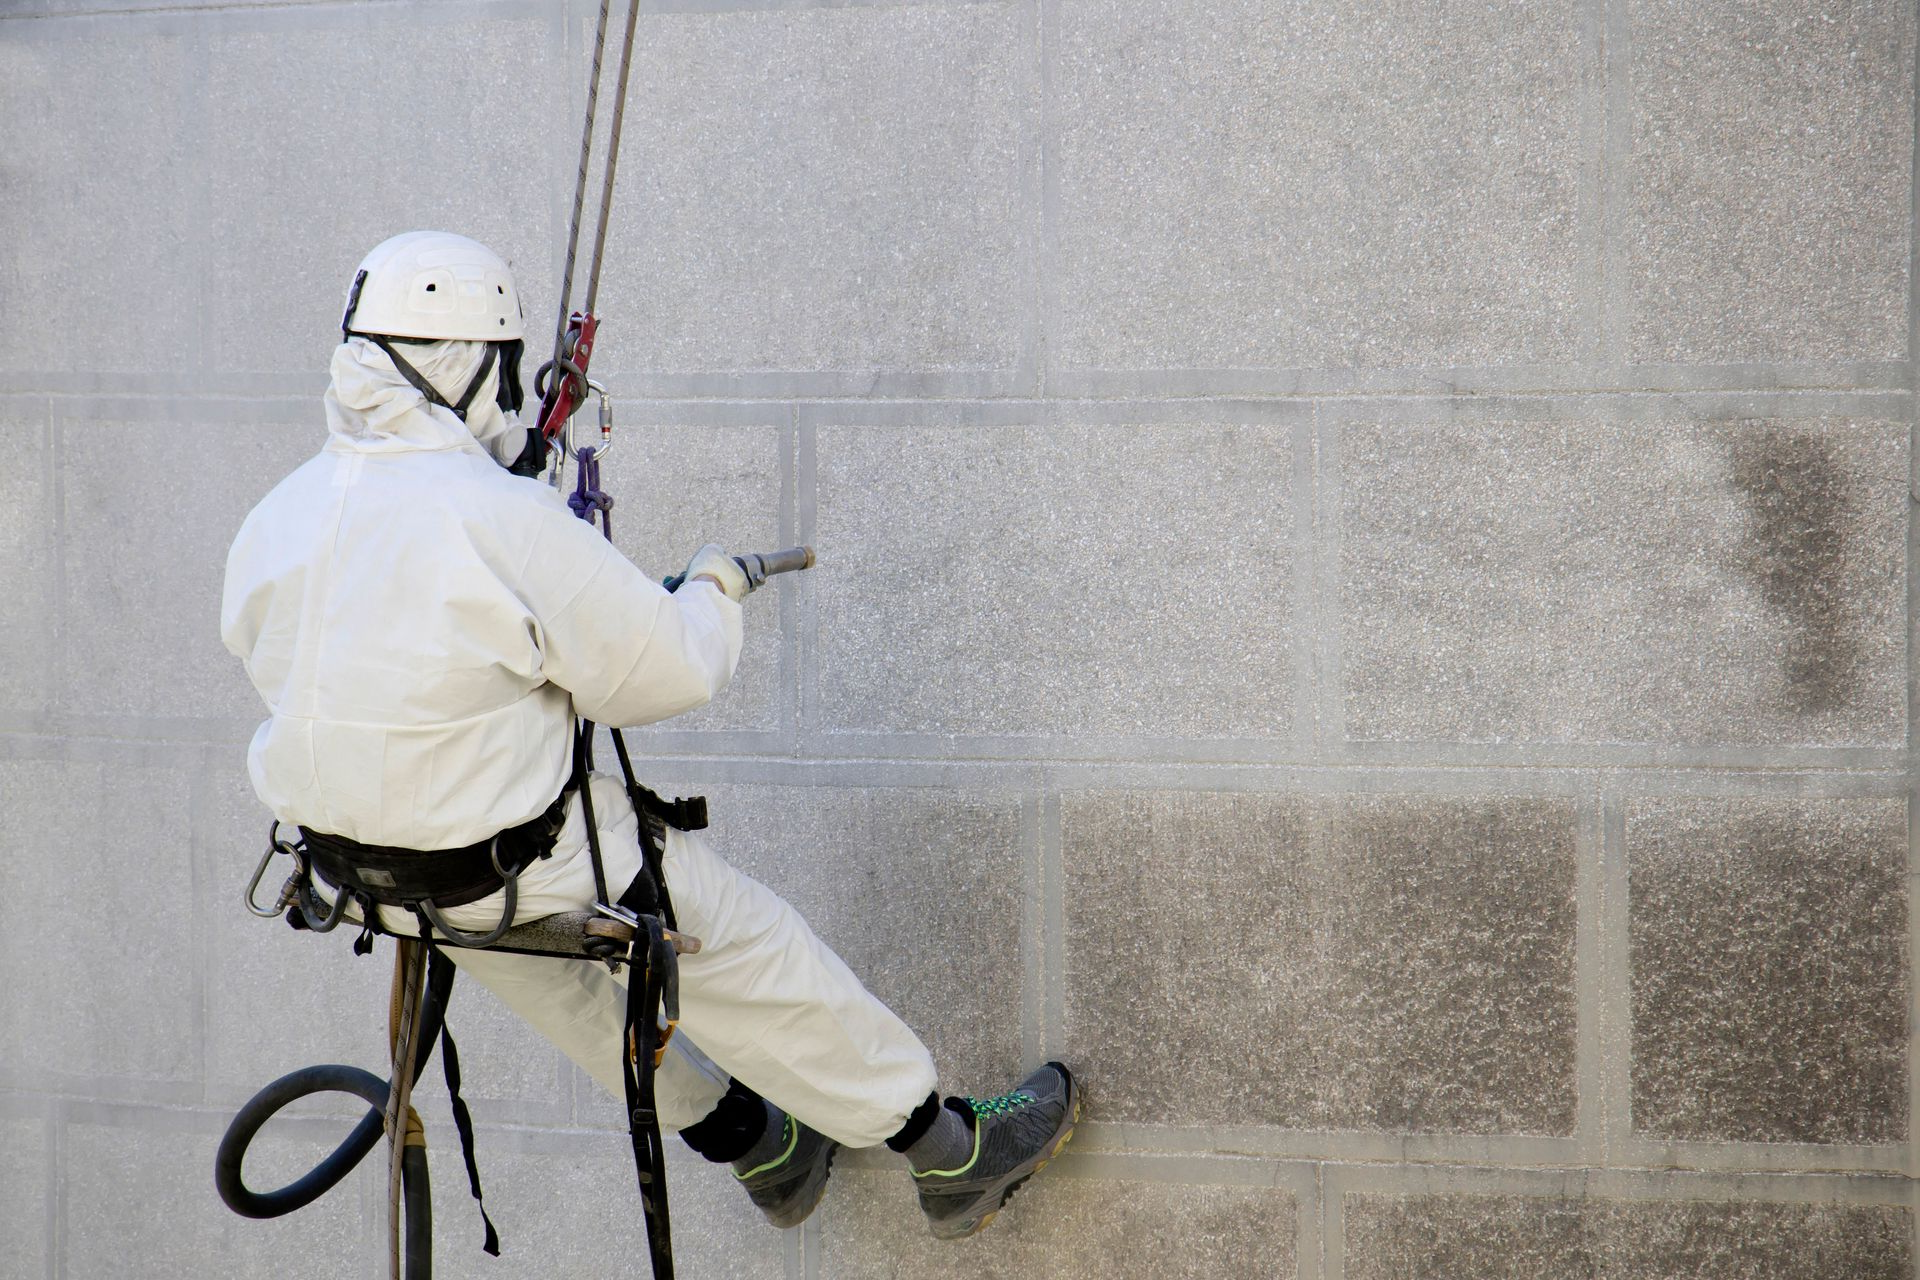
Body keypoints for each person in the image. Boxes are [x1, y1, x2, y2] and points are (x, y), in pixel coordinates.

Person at [219, 230, 1075, 1239]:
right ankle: (949, 1149)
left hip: (364, 873)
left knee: (560, 984)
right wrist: (713, 586)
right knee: (745, 950)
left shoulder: (279, 513)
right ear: (468, 362)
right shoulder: (498, 518)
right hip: (510, 857)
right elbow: (664, 670)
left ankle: (758, 1139)